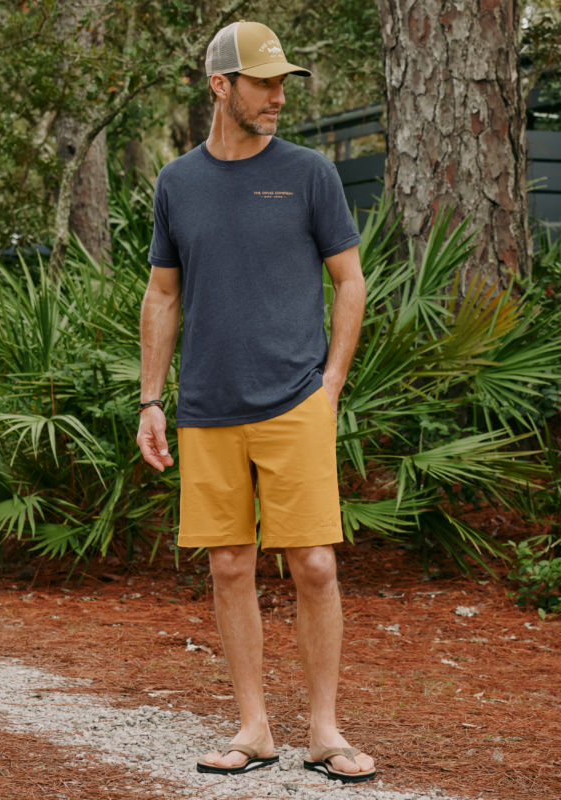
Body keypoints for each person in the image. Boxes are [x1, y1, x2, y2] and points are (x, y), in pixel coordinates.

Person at [137, 19, 375, 784]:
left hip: (296, 399)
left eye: (282, 83)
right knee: (230, 567)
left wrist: (331, 384)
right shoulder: (177, 183)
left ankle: (325, 731)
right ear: (221, 86)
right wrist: (150, 400)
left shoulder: (309, 173)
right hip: (207, 408)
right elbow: (162, 294)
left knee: (314, 564)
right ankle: (254, 728)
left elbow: (349, 282)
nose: (278, 96)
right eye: (264, 82)